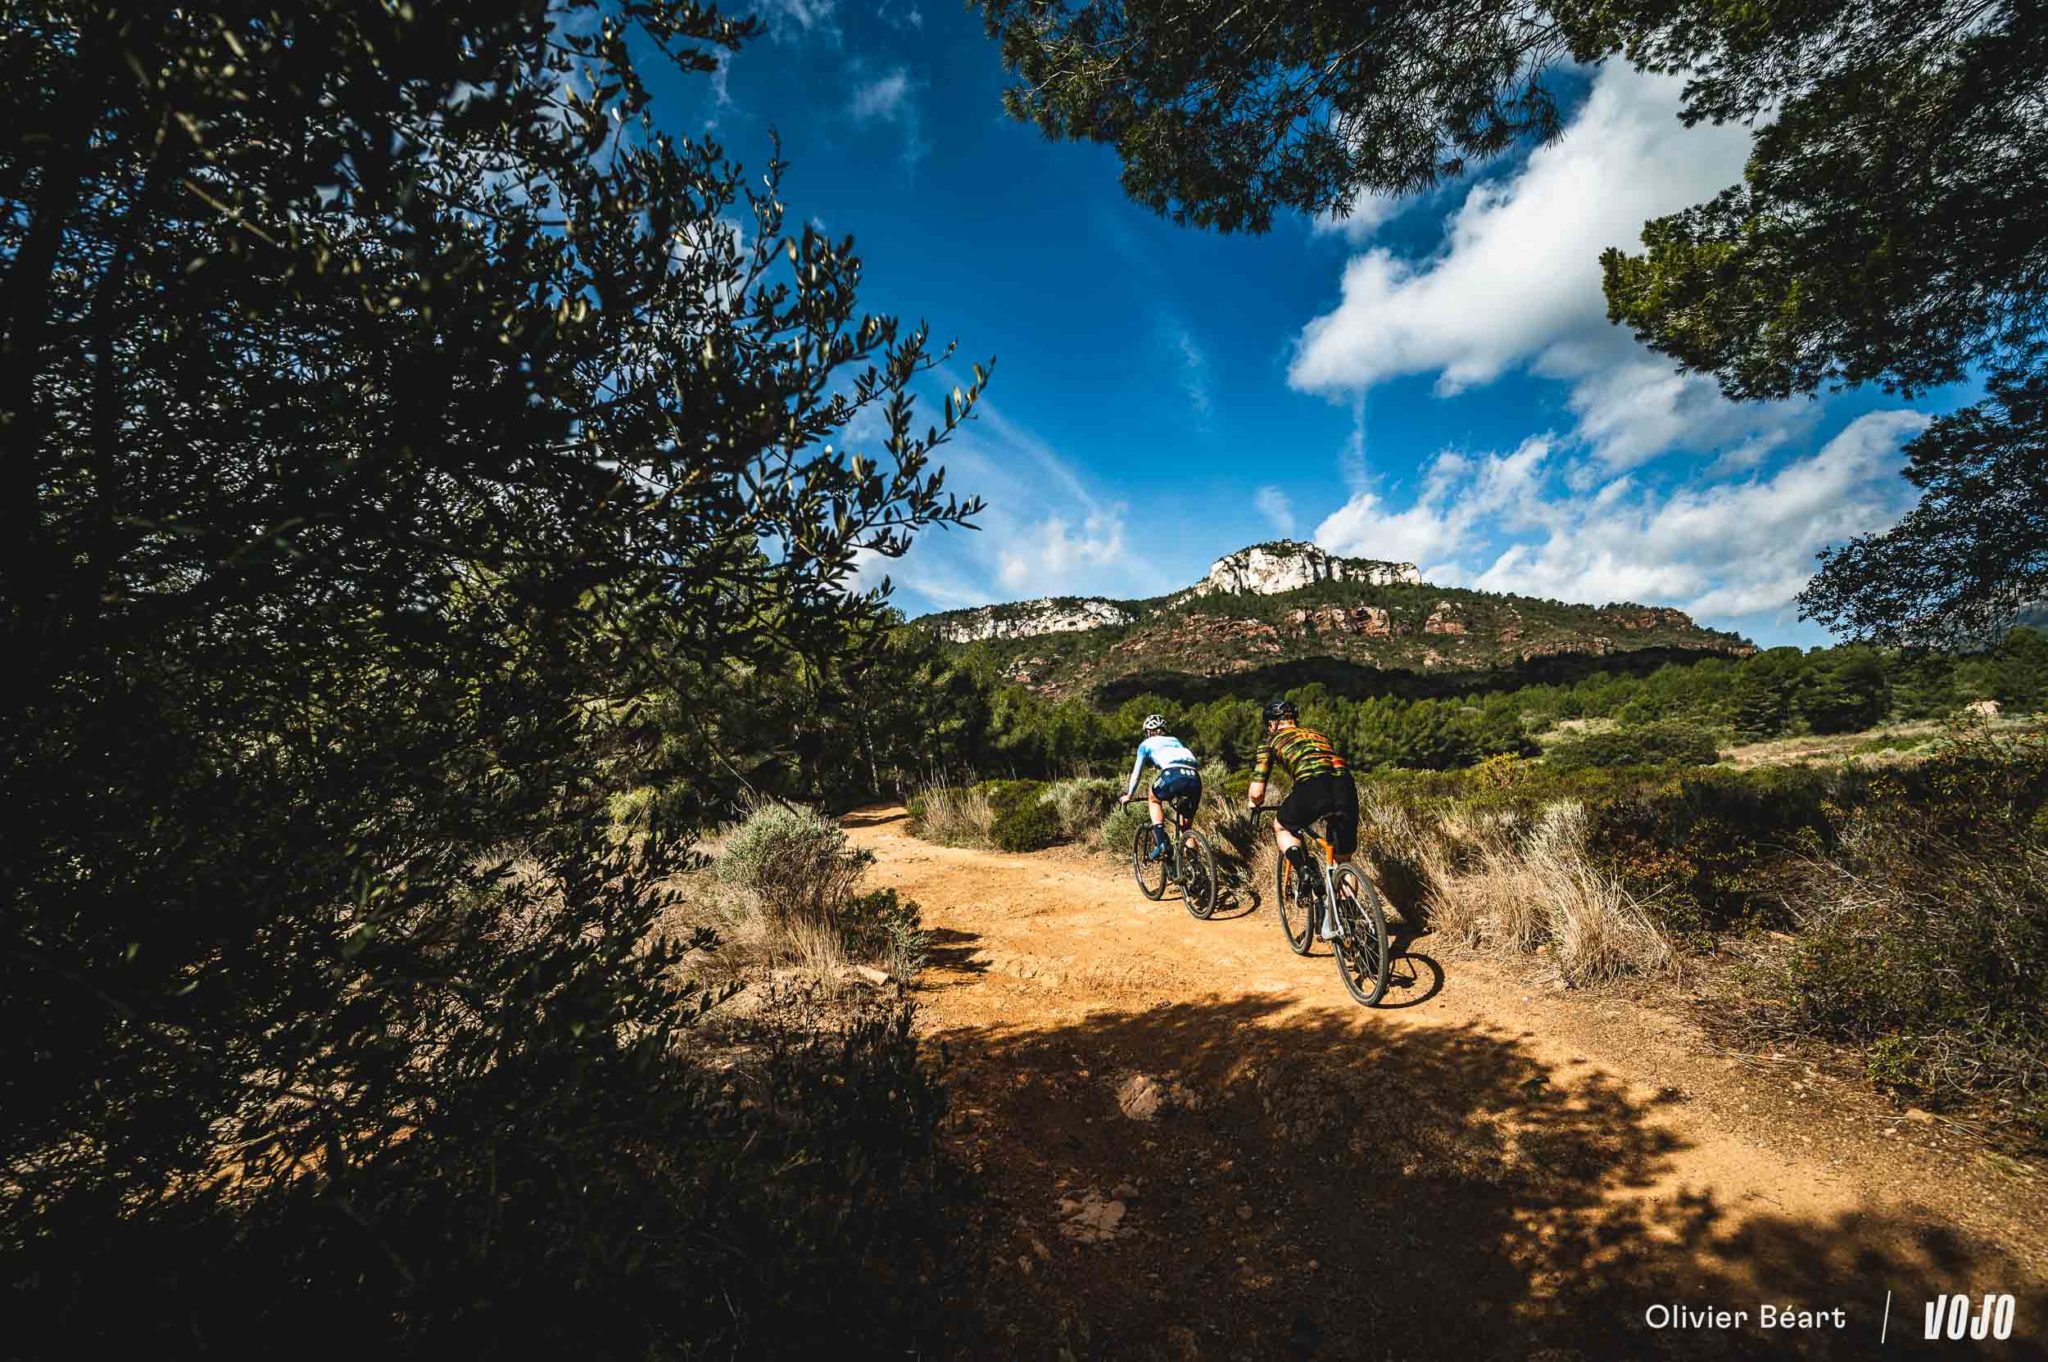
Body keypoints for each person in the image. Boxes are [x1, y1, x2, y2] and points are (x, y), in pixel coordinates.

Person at [1245, 698, 1358, 939]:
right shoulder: (1317, 735)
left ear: (1273, 724)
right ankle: (1350, 924)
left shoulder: (1270, 742)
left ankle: (1304, 869)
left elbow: (1257, 792)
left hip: (1313, 785)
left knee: (1282, 826)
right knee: (1343, 860)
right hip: (1346, 785)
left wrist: (1253, 805)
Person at [1119, 714, 1203, 861]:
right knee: (1185, 828)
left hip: (1172, 774)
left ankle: (1161, 844)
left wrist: (1129, 795)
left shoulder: (1146, 744)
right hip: (1195, 778)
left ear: (1148, 732)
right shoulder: (1176, 741)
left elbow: (1136, 773)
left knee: (1154, 799)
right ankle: (1196, 869)